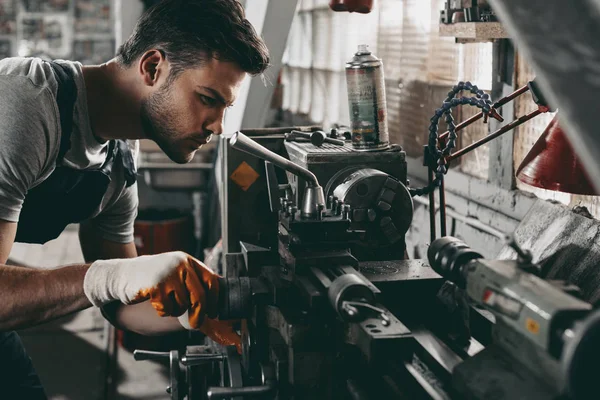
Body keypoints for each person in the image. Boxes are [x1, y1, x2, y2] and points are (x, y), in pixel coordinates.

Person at [0, 0, 270, 397]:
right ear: (153, 67)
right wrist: (108, 277)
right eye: (208, 99)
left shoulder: (118, 160)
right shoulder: (27, 104)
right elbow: (109, 280)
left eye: (225, 107)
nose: (217, 125)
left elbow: (121, 304)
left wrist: (200, 308)